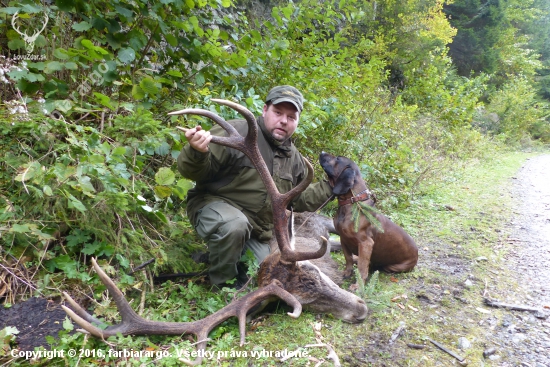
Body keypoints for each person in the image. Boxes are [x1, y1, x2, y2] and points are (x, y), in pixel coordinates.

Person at [177, 85, 333, 288]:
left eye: (291, 117)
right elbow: (193, 172)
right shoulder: (236, 133)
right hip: (214, 207)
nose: (284, 121)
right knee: (234, 226)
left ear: (297, 121)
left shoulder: (294, 159)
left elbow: (297, 200)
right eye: (278, 113)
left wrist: (330, 186)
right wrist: (197, 152)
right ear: (265, 110)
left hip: (257, 230)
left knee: (268, 273)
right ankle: (223, 289)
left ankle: (217, 258)